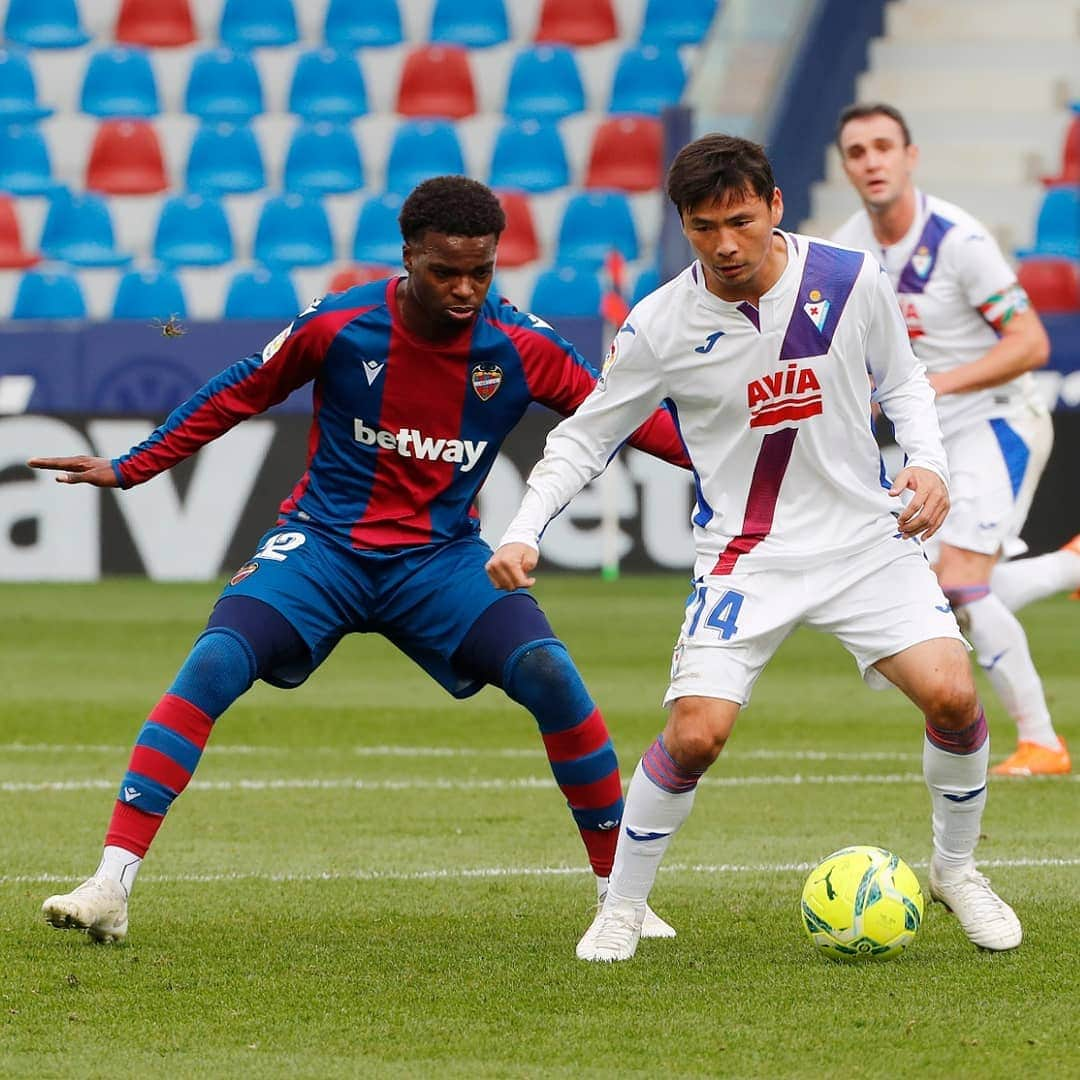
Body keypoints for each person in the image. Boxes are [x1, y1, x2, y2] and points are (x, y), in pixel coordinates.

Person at [30, 175, 689, 944]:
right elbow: (241, 388)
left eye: (482, 271)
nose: (466, 288)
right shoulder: (342, 324)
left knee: (550, 674)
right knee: (213, 663)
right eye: (446, 271)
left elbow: (626, 419)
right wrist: (135, 464)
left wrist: (740, 468)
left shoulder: (524, 347)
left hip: (440, 562)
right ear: (408, 257)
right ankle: (112, 881)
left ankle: (621, 896)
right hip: (324, 546)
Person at [487, 133, 1023, 962]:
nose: (726, 244)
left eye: (741, 220)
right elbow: (585, 439)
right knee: (696, 735)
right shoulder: (660, 323)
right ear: (684, 226)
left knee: (953, 698)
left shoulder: (850, 280)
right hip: (747, 554)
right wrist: (523, 531)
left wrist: (927, 464)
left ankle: (956, 871)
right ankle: (622, 906)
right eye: (704, 228)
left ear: (775, 206)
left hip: (864, 541)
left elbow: (906, 381)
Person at [832, 102, 1074, 778]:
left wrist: (938, 383)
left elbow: (1032, 342)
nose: (872, 160)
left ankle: (1042, 743)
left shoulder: (959, 241)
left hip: (1000, 419)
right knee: (927, 595)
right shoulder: (848, 246)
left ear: (911, 157)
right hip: (930, 438)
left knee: (962, 585)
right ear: (846, 167)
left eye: (884, 146)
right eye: (857, 151)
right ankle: (1068, 567)